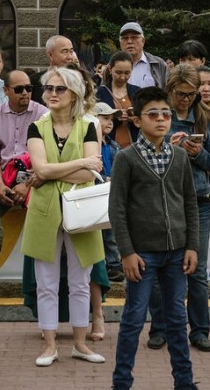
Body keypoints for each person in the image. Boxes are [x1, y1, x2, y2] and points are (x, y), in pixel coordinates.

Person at [110, 87, 200, 390]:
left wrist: (192, 246)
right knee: (133, 318)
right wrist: (126, 252)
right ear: (137, 120)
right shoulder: (126, 159)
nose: (161, 119)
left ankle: (184, 383)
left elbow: (190, 203)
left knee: (176, 318)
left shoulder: (178, 157)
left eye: (166, 113)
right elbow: (117, 209)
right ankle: (121, 382)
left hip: (177, 253)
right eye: (153, 114)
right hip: (142, 255)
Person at [20, 67, 105, 367]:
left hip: (81, 208)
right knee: (46, 282)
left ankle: (80, 344)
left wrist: (54, 171)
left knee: (81, 281)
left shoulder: (88, 126)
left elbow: (91, 173)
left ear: (74, 95)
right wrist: (81, 161)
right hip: (44, 211)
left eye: (60, 89)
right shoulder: (36, 126)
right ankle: (50, 345)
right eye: (48, 88)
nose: (52, 94)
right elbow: (40, 169)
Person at [145, 64, 210, 353]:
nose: (186, 100)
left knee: (197, 271)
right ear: (169, 90)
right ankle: (160, 327)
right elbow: (142, 154)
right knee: (160, 266)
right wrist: (168, 149)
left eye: (192, 95)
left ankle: (200, 331)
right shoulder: (158, 115)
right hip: (163, 200)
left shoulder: (205, 117)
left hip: (199, 199)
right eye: (180, 94)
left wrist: (198, 153)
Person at [0, 70, 48, 208]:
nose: (25, 92)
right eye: (19, 89)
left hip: (35, 178)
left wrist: (27, 185)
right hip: (2, 177)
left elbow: (48, 155)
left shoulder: (44, 115)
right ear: (5, 91)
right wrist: (0, 186)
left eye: (29, 88)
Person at [90, 102, 123, 283]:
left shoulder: (114, 146)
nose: (110, 122)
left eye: (111, 119)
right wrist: (103, 178)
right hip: (93, 194)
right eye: (105, 118)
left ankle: (114, 266)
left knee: (110, 231)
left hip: (110, 195)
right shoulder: (87, 144)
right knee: (96, 232)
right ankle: (100, 266)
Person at [96, 51, 141, 149]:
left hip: (133, 147)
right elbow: (94, 121)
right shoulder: (99, 93)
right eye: (118, 72)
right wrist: (115, 118)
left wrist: (134, 119)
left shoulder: (138, 92)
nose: (122, 77)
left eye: (127, 73)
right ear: (110, 69)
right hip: (108, 148)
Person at [118, 22, 168, 89]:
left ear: (143, 41)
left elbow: (168, 92)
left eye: (134, 37)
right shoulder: (111, 67)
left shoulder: (158, 64)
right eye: (125, 38)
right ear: (120, 43)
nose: (129, 41)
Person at [30, 35, 75, 104]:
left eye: (71, 51)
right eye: (64, 51)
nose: (69, 57)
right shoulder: (34, 81)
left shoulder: (79, 80)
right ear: (50, 55)